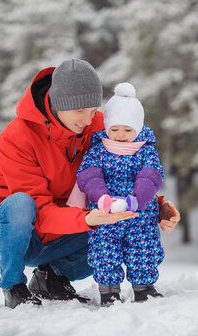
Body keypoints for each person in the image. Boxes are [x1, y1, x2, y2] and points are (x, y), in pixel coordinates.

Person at [0, 59, 180, 309]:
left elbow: (124, 173)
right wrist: (86, 220)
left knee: (127, 222)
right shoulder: (17, 138)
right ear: (58, 105)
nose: (88, 119)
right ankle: (13, 286)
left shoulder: (100, 126)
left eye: (92, 109)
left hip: (64, 232)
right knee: (21, 204)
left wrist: (154, 206)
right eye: (79, 111)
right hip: (10, 237)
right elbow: (38, 211)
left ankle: (52, 278)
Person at [76, 82, 174, 306]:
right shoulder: (97, 150)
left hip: (138, 214)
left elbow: (151, 176)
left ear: (138, 129)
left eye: (128, 130)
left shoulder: (145, 150)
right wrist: (101, 197)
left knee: (143, 249)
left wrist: (136, 200)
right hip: (106, 213)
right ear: (107, 127)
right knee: (104, 251)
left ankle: (144, 287)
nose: (120, 135)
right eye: (115, 129)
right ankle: (108, 291)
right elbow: (89, 176)